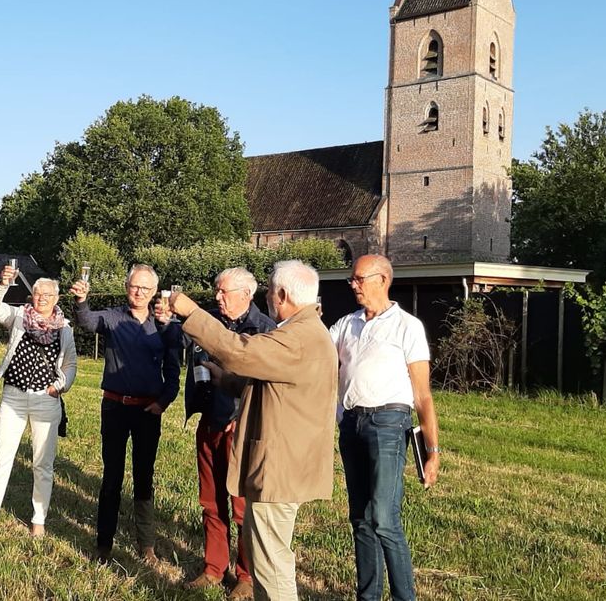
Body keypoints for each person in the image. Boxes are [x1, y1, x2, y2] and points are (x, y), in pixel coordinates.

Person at [168, 260, 337, 601]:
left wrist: (191, 313)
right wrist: (226, 381)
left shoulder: (296, 336)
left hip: (278, 470)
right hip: (285, 465)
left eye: (270, 291)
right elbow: (266, 378)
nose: (268, 298)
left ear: (284, 294)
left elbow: (239, 352)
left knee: (271, 567)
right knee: (270, 561)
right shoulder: (308, 332)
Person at [329, 254, 441, 601]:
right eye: (352, 279)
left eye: (359, 279)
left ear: (383, 280)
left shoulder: (406, 326)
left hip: (389, 423)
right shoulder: (346, 324)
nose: (353, 285)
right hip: (351, 423)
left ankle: (404, 596)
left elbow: (422, 394)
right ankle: (369, 596)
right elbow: (318, 355)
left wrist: (432, 451)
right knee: (360, 519)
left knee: (384, 517)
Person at [69, 264, 182, 565]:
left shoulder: (164, 324)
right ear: (126, 286)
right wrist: (81, 301)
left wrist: (164, 402)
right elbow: (87, 322)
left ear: (154, 291)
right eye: (134, 286)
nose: (139, 292)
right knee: (112, 477)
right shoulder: (112, 317)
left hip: (148, 411)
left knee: (144, 477)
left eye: (145, 288)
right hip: (115, 407)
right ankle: (104, 544)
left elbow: (173, 370)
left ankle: (146, 545)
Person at [183, 268, 276, 600]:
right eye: (216, 291)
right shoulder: (210, 322)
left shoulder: (265, 331)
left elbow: (263, 385)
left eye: (223, 291)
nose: (217, 296)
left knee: (242, 507)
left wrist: (237, 417)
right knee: (210, 502)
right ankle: (213, 568)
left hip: (241, 429)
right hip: (208, 422)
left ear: (246, 295)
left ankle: (247, 575)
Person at [0, 266, 78, 537]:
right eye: (37, 293)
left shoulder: (64, 329)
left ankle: (38, 520)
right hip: (14, 396)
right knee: (1, 458)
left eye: (48, 294)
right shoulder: (20, 317)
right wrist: (2, 283)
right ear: (32, 296)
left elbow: (70, 364)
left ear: (56, 299)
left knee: (42, 464)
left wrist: (59, 387)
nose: (42, 298)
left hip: (45, 400)